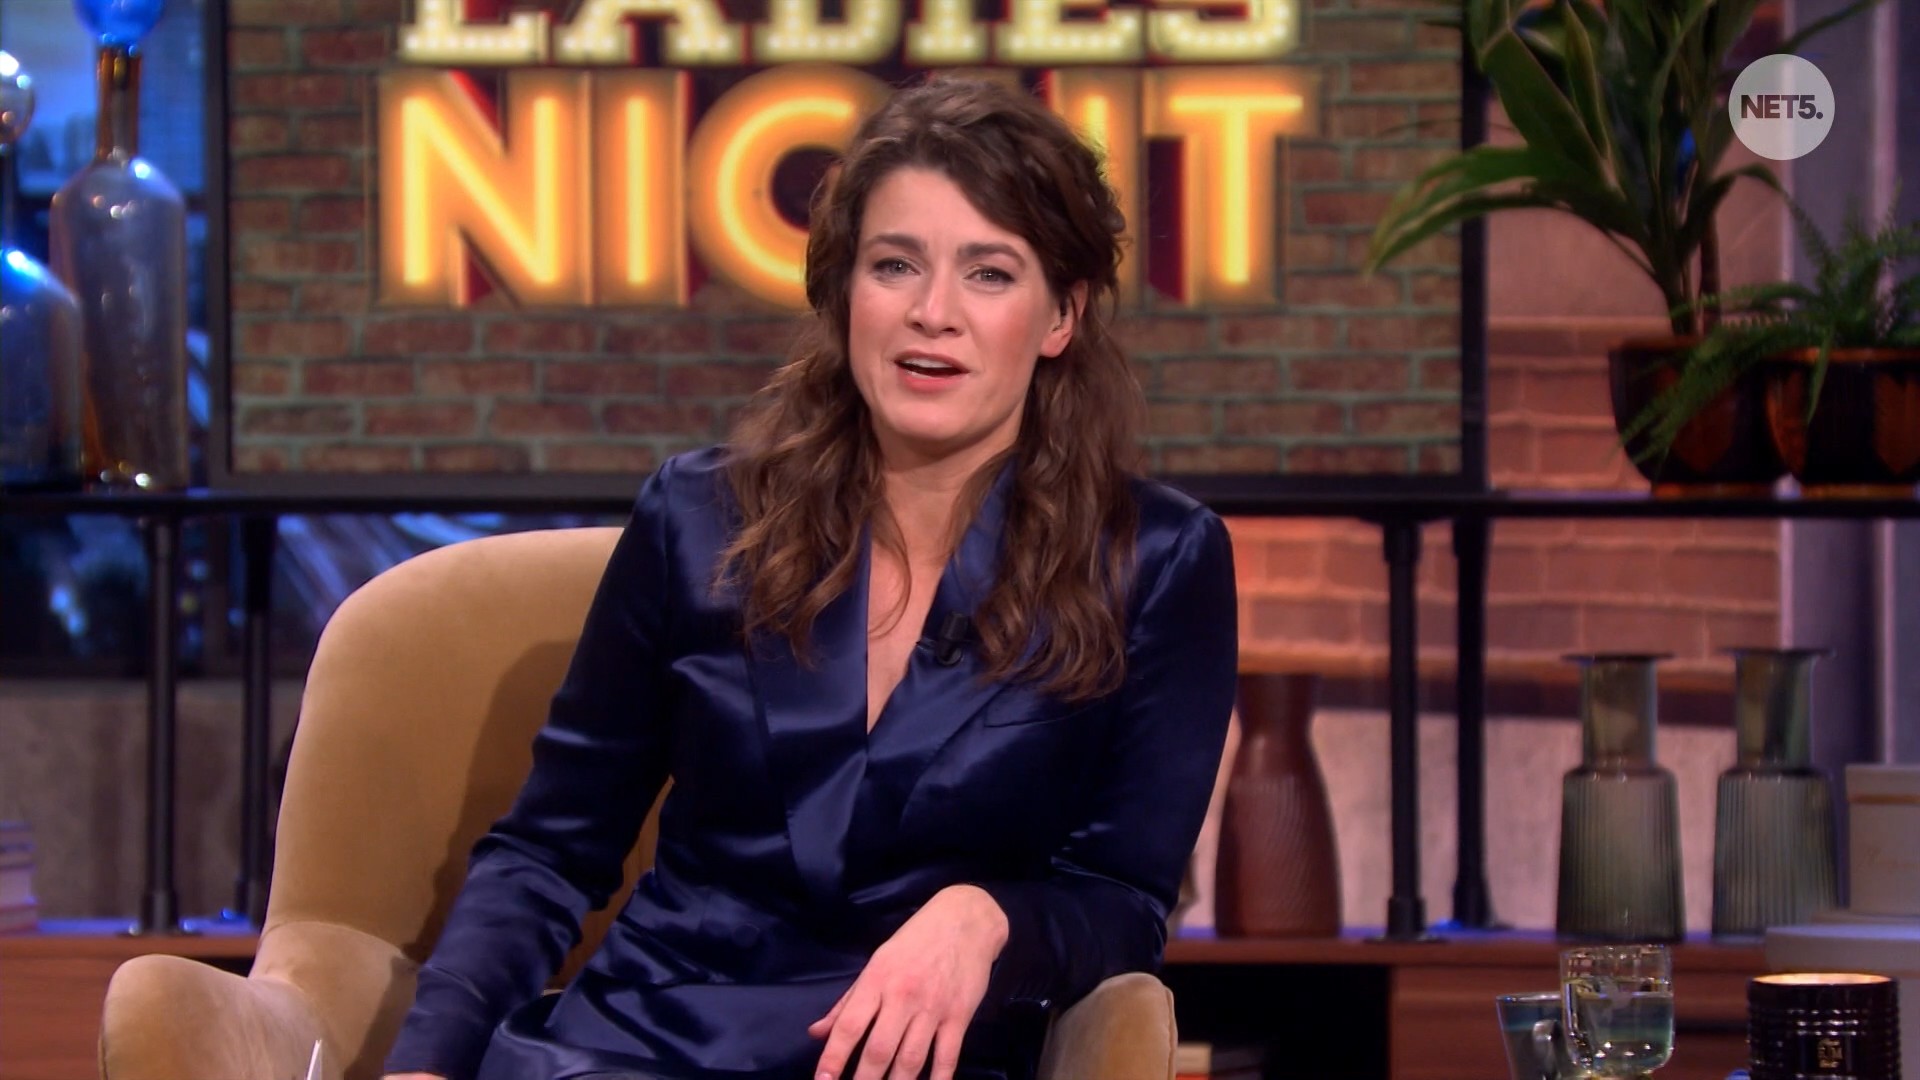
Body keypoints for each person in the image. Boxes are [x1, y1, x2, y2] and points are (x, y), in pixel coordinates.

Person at [380, 74, 1238, 1080]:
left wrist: (987, 918)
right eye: (894, 265)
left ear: (1061, 316)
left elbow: (1123, 901)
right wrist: (424, 1064)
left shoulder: (1155, 560)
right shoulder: (699, 518)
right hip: (634, 1046)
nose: (932, 313)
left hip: (904, 1060)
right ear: (843, 293)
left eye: (990, 273)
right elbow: (550, 850)